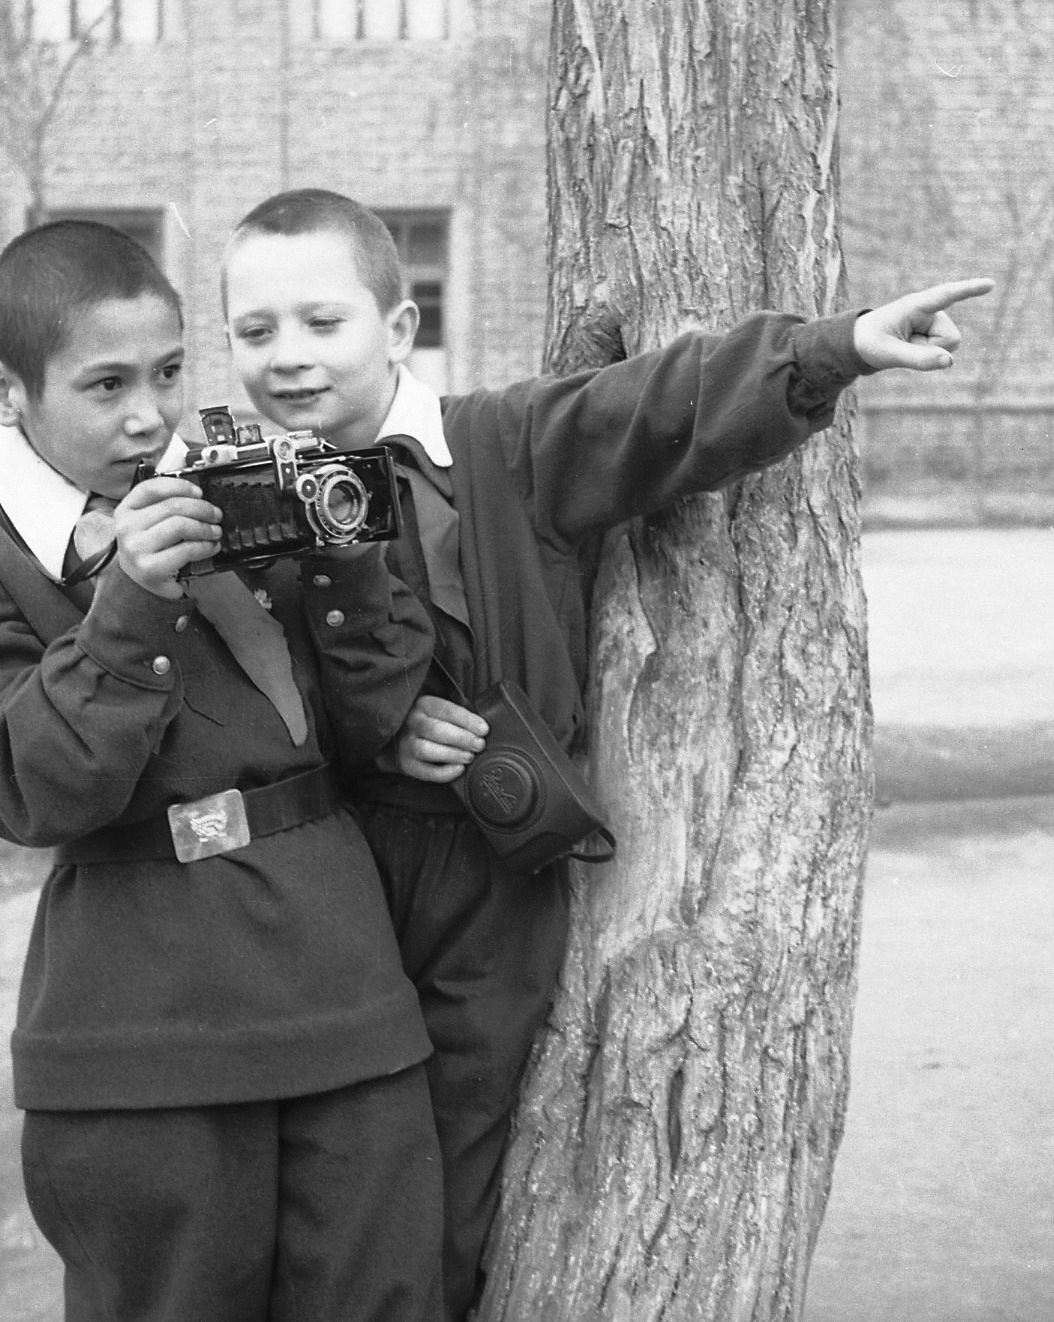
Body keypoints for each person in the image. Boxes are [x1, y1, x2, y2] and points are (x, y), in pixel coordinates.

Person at [222, 187, 992, 1321]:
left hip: (483, 875)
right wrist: (376, 729)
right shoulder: (240, 495)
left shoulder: (504, 446)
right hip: (329, 874)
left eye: (322, 322)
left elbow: (659, 406)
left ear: (398, 329)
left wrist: (834, 349)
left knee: (452, 1160)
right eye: (255, 330)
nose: (288, 356)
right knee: (325, 1165)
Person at [0, 218, 445, 1322]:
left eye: (164, 372)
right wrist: (130, 601)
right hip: (140, 1028)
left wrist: (341, 550)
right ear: (13, 393)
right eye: (104, 385)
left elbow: (363, 721)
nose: (147, 415)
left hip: (341, 988)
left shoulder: (223, 485)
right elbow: (38, 790)